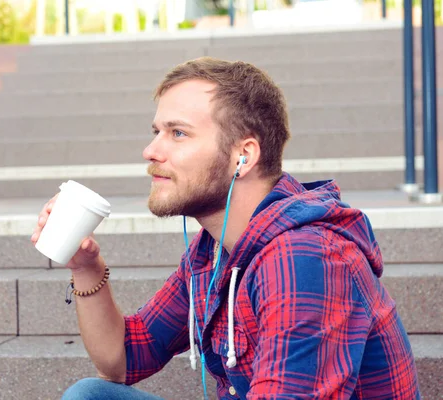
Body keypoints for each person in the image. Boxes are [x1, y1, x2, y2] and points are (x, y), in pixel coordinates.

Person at [31, 57, 420, 399]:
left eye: (178, 133)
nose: (151, 151)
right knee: (93, 396)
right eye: (157, 132)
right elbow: (124, 359)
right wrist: (86, 267)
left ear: (243, 156)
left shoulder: (305, 257)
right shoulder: (213, 251)